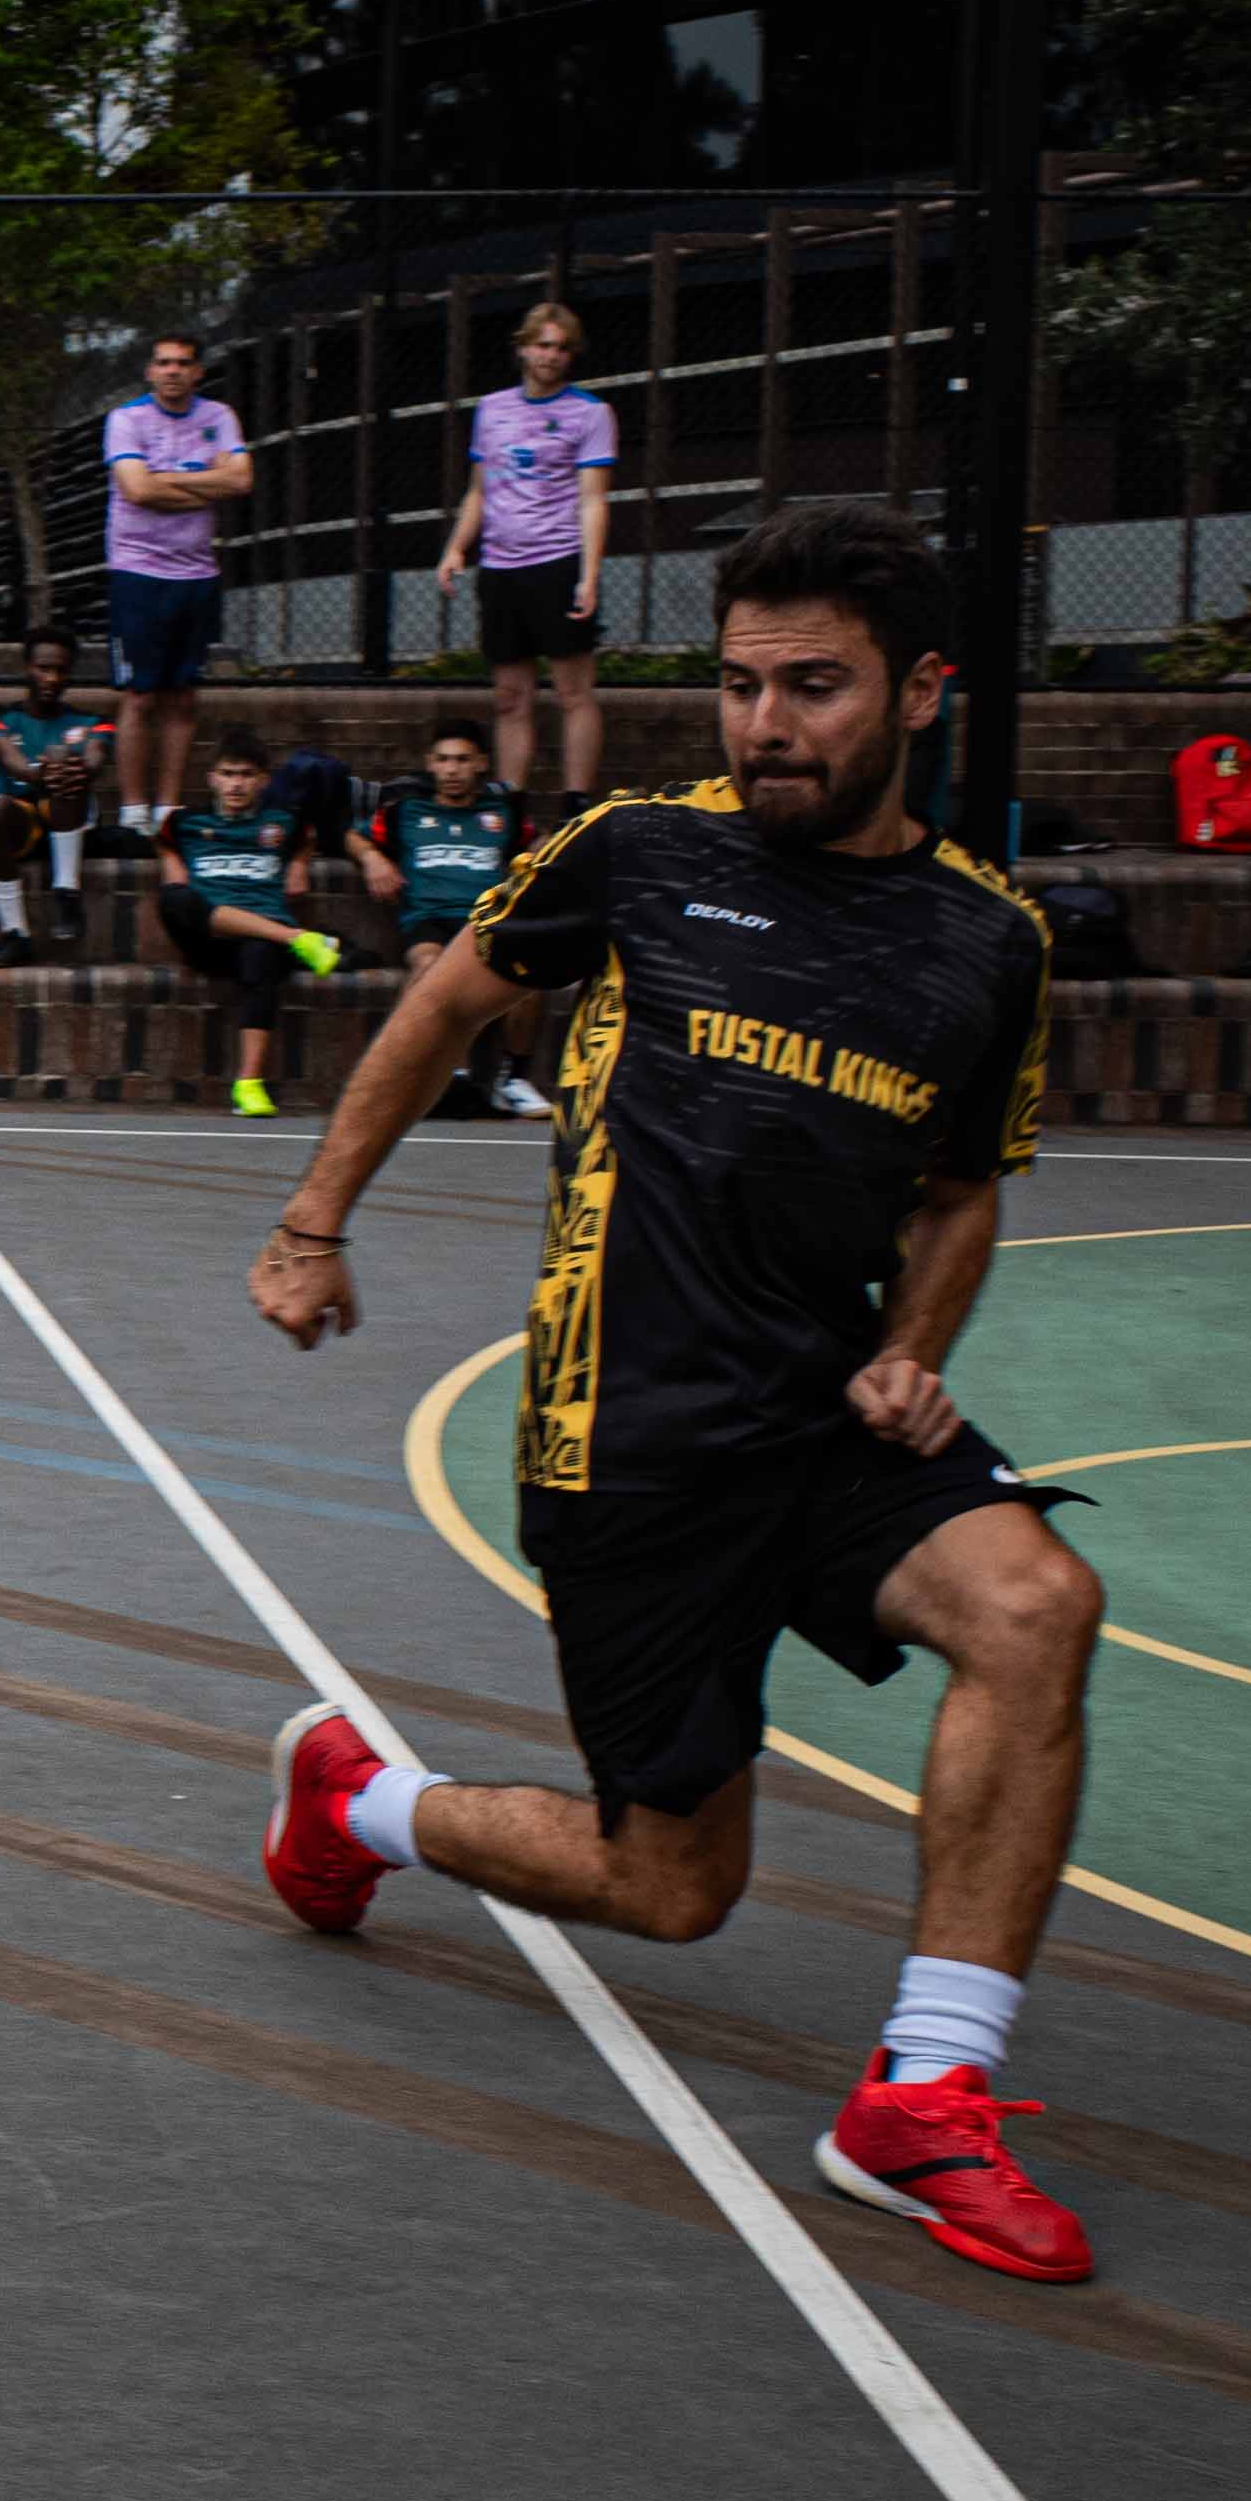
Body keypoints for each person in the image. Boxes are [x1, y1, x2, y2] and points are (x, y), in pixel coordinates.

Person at [243, 495, 1102, 2283]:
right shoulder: (636, 853)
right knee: (672, 1889)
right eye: (739, 685)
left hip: (829, 1420)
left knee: (1037, 1602)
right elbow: (443, 1003)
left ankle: (925, 2098)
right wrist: (313, 1221)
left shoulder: (987, 944)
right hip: (628, 1440)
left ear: (922, 693)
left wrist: (914, 1357)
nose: (768, 725)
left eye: (816, 687)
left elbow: (958, 1190)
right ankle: (358, 1804)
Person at [439, 299, 618, 798]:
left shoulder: (590, 413)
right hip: (500, 567)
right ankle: (510, 804)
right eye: (543, 345)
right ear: (523, 348)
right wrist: (457, 548)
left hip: (557, 561)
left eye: (562, 348)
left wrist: (589, 574)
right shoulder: (491, 409)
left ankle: (576, 803)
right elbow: (480, 489)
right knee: (509, 696)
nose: (552, 356)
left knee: (572, 691)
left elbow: (593, 500)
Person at [359, 718, 553, 1120]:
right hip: (430, 920)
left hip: (487, 918)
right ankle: (443, 1077)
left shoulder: (502, 811)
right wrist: (371, 857)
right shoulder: (407, 810)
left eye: (462, 760)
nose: (451, 770)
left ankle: (511, 1081)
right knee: (429, 967)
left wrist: (542, 849)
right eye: (443, 760)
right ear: (430, 763)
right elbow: (352, 834)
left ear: (481, 763)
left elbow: (536, 839)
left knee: (530, 970)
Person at [98, 331, 252, 829]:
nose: (172, 371)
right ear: (150, 371)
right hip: (138, 571)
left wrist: (167, 481)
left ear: (198, 372)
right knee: (140, 696)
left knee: (182, 696)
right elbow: (137, 490)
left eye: (183, 364)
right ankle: (134, 811)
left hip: (196, 573)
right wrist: (207, 485)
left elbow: (242, 481)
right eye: (163, 363)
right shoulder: (127, 420)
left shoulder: (218, 418)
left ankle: (167, 809)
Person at [154, 738, 345, 1121]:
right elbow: (168, 856)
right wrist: (174, 866)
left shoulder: (284, 823)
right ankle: (302, 940)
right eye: (227, 774)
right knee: (175, 896)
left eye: (246, 775)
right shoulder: (185, 823)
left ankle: (249, 1084)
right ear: (212, 779)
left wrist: (299, 864)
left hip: (259, 941)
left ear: (263, 781)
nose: (236, 784)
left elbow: (309, 838)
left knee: (261, 958)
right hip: (208, 939)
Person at [0, 628, 111, 965]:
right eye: (44, 668)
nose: (52, 678)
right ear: (28, 668)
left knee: (65, 764)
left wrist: (80, 769)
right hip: (21, 827)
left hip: (71, 822)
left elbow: (96, 755)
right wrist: (38, 774)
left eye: (61, 670)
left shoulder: (92, 721)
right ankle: (16, 935)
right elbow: (10, 760)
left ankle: (66, 892)